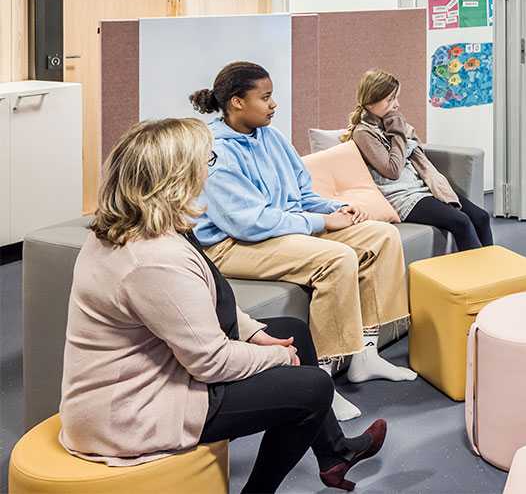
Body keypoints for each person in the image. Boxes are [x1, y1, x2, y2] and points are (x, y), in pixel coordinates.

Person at [59, 118, 387, 493]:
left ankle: (333, 454)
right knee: (311, 388)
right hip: (130, 414)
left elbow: (209, 302)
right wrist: (280, 358)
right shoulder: (152, 259)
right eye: (206, 160)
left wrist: (256, 334)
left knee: (290, 330)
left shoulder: (141, 228)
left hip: (149, 376)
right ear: (177, 177)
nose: (208, 170)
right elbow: (210, 362)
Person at [190, 61, 415, 422]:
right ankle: (322, 378)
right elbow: (247, 222)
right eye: (264, 98)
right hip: (232, 244)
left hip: (283, 228)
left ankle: (366, 355)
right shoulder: (214, 151)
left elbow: (301, 192)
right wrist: (319, 222)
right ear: (235, 102)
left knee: (382, 235)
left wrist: (336, 207)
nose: (273, 104)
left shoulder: (271, 136)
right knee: (337, 258)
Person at [344, 69, 492, 252]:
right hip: (400, 197)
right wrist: (398, 131)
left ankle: (493, 273)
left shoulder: (388, 122)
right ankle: (478, 278)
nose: (396, 105)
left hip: (421, 186)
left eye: (396, 98)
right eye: (390, 99)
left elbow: (417, 156)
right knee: (461, 222)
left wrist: (400, 131)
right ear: (371, 101)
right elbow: (392, 170)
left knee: (481, 217)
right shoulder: (364, 133)